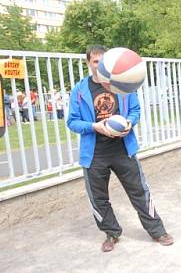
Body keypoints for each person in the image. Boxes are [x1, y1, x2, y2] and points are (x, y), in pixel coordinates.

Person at [66, 45, 174, 252]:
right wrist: (93, 127)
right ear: (88, 63)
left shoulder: (122, 83)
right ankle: (111, 233)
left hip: (123, 149)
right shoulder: (80, 91)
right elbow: (72, 122)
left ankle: (158, 230)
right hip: (95, 154)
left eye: (102, 61)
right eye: (95, 61)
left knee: (140, 192)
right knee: (98, 198)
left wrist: (129, 123)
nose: (99, 65)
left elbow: (135, 111)